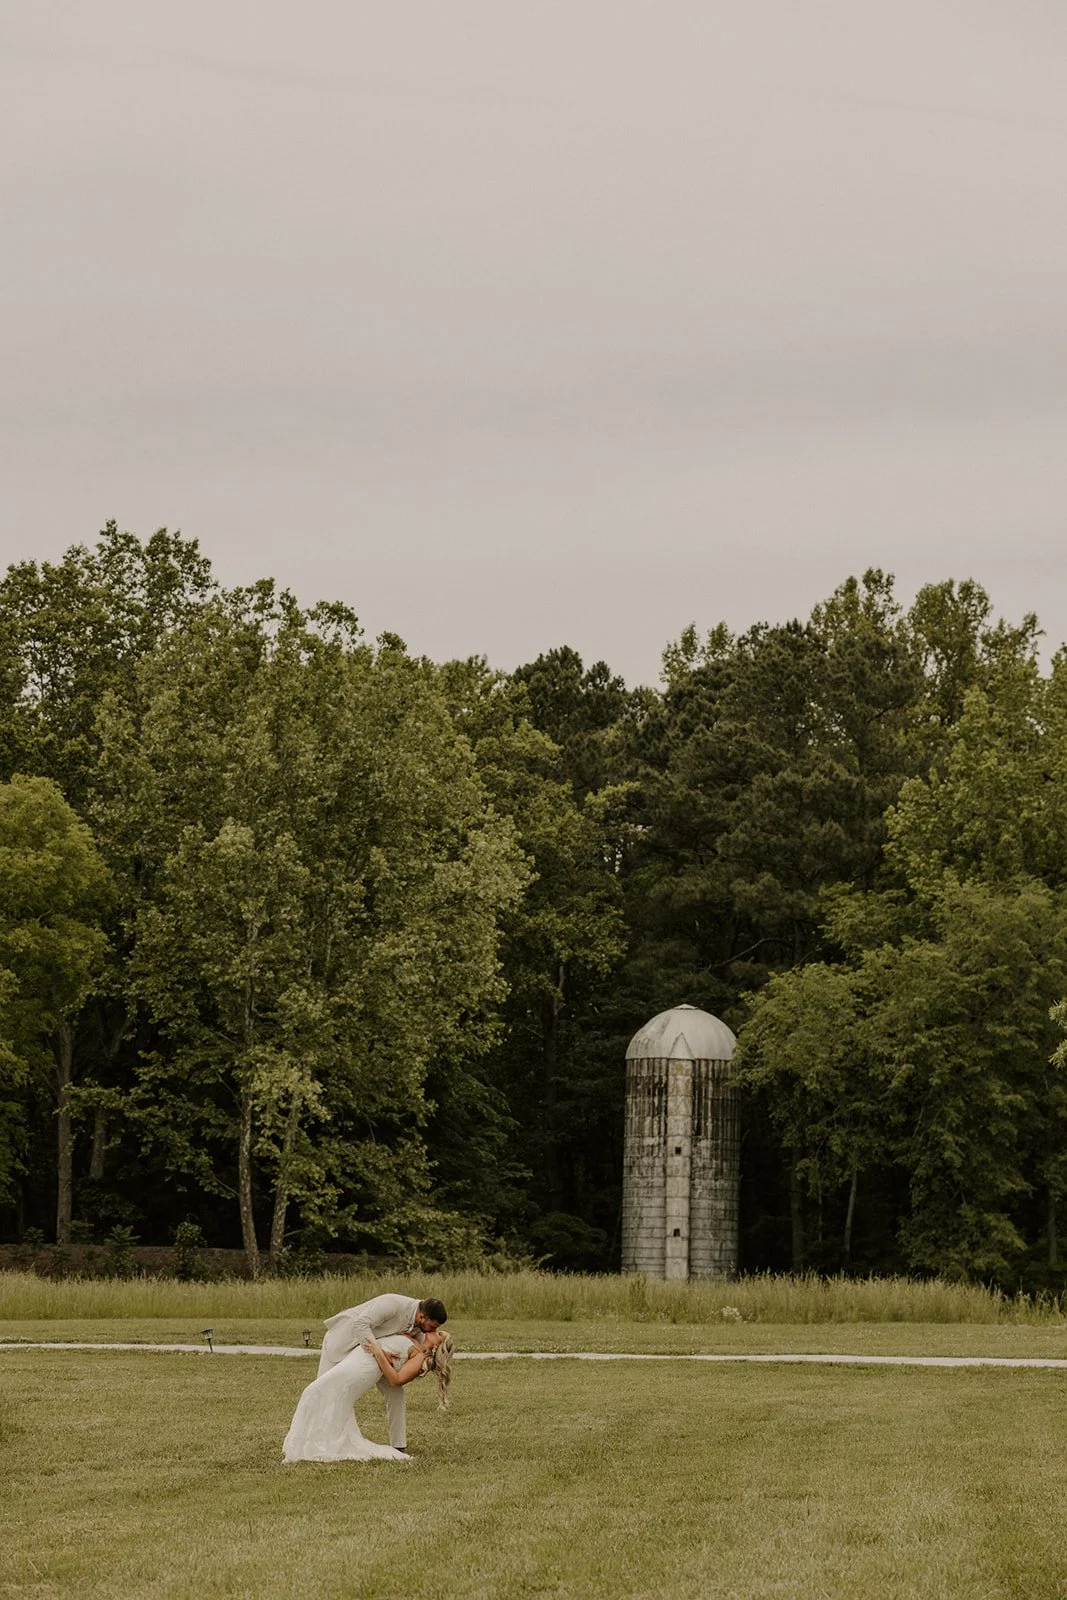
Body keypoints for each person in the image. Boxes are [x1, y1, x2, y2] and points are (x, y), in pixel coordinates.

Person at [283, 1328, 453, 1463]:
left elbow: (396, 1380)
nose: (435, 1330)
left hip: (367, 1365)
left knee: (315, 1391)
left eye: (439, 1334)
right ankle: (313, 1442)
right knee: (319, 1393)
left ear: (437, 1346)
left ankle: (312, 1445)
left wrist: (379, 1354)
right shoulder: (414, 1338)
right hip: (360, 1357)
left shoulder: (419, 1357)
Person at [314, 1293, 448, 1453]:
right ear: (421, 1316)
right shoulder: (392, 1303)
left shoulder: (419, 1327)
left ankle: (399, 1446)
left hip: (375, 1357)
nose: (433, 1331)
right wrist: (380, 1352)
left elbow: (414, 1351)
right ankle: (319, 1440)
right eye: (433, 1327)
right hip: (342, 1341)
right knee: (325, 1392)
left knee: (396, 1394)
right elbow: (360, 1325)